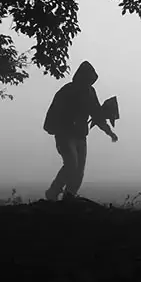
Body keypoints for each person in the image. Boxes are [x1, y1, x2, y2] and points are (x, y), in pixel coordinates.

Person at [43, 60, 118, 201]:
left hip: (80, 135)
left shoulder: (90, 92)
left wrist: (109, 132)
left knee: (79, 171)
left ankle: (69, 196)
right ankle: (52, 193)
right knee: (71, 164)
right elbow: (54, 112)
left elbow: (97, 114)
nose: (88, 83)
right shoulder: (66, 91)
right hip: (65, 135)